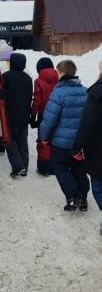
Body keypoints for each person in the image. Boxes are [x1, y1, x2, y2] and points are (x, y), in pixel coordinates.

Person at [39, 60, 89, 211]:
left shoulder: (58, 93)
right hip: (79, 142)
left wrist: (44, 137)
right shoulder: (85, 92)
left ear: (61, 73)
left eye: (58, 72)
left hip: (61, 142)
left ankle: (73, 197)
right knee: (78, 168)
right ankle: (83, 198)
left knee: (60, 167)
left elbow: (49, 120)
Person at [72, 61, 102, 227]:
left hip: (99, 150)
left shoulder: (97, 92)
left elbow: (87, 123)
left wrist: (77, 146)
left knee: (98, 186)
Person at [2, 53, 33, 178]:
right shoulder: (28, 78)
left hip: (10, 116)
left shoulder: (5, 77)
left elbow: (2, 97)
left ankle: (18, 166)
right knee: (22, 141)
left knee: (10, 141)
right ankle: (24, 166)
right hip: (24, 116)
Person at [30, 57, 59, 176]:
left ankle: (44, 167)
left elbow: (37, 100)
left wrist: (33, 116)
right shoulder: (60, 78)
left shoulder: (39, 81)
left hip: (44, 114)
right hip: (58, 113)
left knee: (43, 140)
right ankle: (56, 166)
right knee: (56, 139)